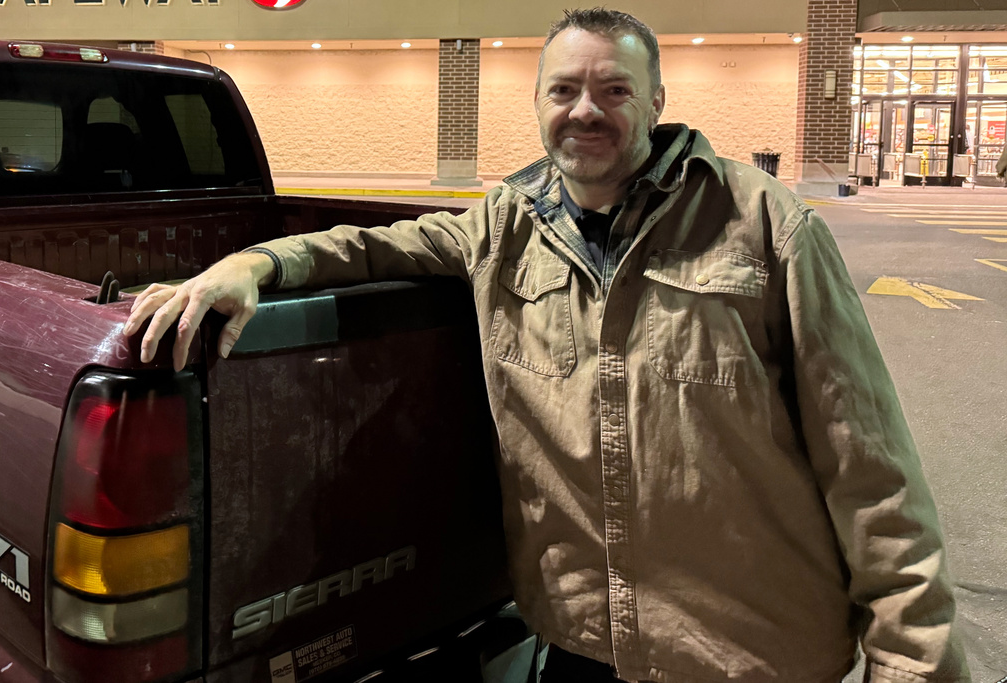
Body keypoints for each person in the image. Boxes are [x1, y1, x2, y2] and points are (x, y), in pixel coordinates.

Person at [125, 9, 969, 682]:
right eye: (564, 90)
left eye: (614, 90)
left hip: (750, 655)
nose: (586, 110)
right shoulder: (502, 227)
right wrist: (254, 262)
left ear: (657, 101)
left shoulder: (766, 228)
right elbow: (368, 248)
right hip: (581, 651)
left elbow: (872, 470)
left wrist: (912, 660)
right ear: (537, 105)